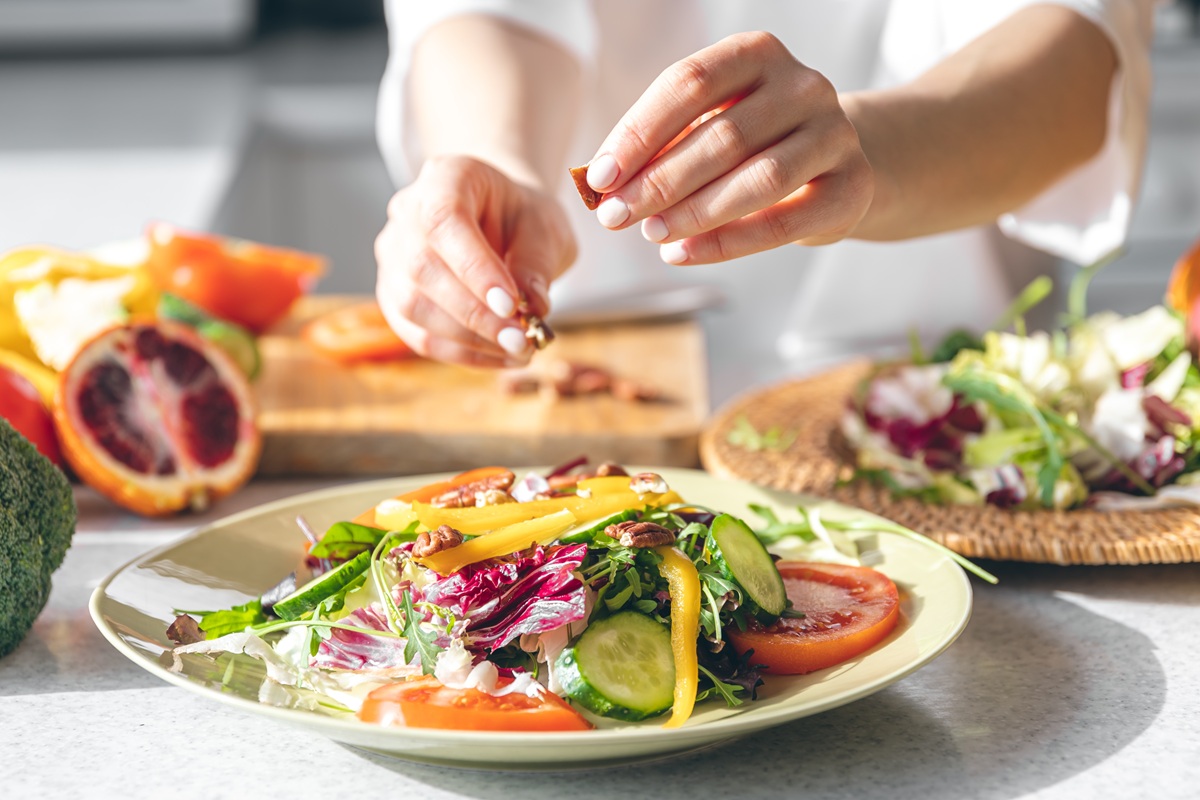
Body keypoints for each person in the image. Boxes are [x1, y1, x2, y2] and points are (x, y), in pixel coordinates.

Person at [372, 1, 1157, 387]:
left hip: (943, 381)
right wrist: (496, 156)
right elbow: (489, 13)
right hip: (609, 382)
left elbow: (1078, 50)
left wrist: (863, 151)